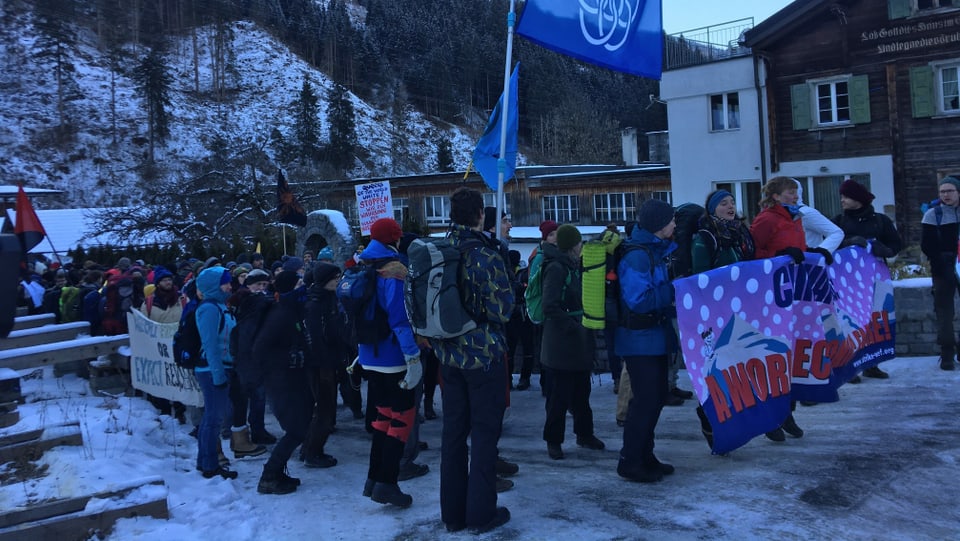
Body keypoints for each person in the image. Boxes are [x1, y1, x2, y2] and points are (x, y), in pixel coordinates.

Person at [432, 187, 513, 533]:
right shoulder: (484, 255)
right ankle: (481, 514)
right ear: (481, 213)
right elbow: (503, 310)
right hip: (482, 356)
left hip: (448, 357)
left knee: (452, 436)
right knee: (483, 436)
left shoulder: (441, 250)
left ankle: (452, 514)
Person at [356, 217, 422, 508]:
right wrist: (413, 356)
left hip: (370, 355)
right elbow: (399, 318)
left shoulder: (363, 266)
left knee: (382, 418)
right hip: (394, 357)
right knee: (402, 419)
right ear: (395, 240)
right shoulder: (393, 271)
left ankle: (374, 479)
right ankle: (388, 482)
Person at [615, 199, 678, 483]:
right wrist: (674, 292)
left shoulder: (654, 250)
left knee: (654, 400)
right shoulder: (638, 256)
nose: (675, 224)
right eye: (671, 220)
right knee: (645, 401)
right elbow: (638, 300)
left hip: (653, 336)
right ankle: (630, 460)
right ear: (659, 225)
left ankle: (645, 455)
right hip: (639, 339)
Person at [690, 189, 756, 449]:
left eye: (732, 202)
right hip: (714, 316)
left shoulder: (740, 232)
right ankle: (709, 419)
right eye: (723, 203)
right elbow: (699, 279)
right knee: (716, 371)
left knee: (736, 370)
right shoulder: (704, 237)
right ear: (712, 209)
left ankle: (731, 420)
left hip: (739, 312)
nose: (730, 206)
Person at [541, 224, 605, 460]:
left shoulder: (574, 266)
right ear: (573, 245)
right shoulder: (557, 268)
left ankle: (584, 434)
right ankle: (553, 441)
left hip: (577, 343)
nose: (582, 246)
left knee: (581, 393)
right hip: (561, 345)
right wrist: (573, 327)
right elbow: (550, 305)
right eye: (580, 243)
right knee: (558, 397)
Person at [750, 176, 807, 441]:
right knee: (772, 355)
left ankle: (786, 413)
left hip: (792, 294)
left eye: (796, 192)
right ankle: (769, 418)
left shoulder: (794, 218)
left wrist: (812, 252)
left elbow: (798, 250)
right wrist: (778, 257)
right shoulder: (767, 220)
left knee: (789, 357)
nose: (795, 196)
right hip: (770, 295)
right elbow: (751, 252)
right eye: (790, 192)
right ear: (776, 196)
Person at [251, 270, 313, 494]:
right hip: (281, 380)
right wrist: (290, 357)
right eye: (298, 284)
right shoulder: (281, 314)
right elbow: (260, 349)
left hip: (294, 378)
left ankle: (278, 472)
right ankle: (269, 475)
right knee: (296, 430)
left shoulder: (292, 310)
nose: (302, 287)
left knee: (301, 426)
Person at [834, 179, 902, 378]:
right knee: (849, 322)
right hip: (847, 282)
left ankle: (872, 364)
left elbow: (896, 244)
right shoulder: (838, 221)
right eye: (841, 196)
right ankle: (851, 367)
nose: (842, 200)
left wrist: (885, 249)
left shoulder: (880, 220)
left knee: (874, 320)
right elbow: (827, 246)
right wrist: (848, 243)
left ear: (858, 199)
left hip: (875, 280)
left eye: (846, 196)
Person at [194, 267, 239, 480]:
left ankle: (204, 460)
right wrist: (218, 374)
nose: (230, 286)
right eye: (225, 282)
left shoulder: (221, 306)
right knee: (214, 418)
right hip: (212, 369)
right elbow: (210, 344)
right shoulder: (209, 309)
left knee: (212, 417)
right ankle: (210, 464)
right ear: (214, 285)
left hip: (221, 367)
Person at [302, 262, 347, 468]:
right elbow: (315, 337)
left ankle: (309, 447)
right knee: (325, 410)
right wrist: (325, 363)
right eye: (334, 278)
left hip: (330, 360)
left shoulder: (329, 299)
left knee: (326, 408)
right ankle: (313, 451)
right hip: (321, 365)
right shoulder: (315, 303)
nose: (338, 281)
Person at [920, 176, 960, 370]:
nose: (946, 195)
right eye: (942, 191)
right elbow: (927, 245)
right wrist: (942, 263)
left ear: (958, 192)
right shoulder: (932, 215)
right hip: (943, 267)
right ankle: (947, 353)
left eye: (950, 191)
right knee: (944, 311)